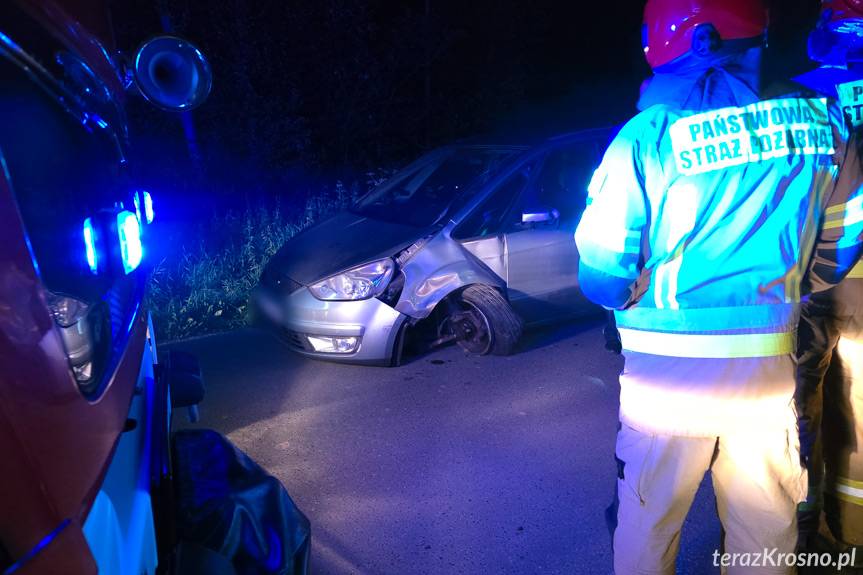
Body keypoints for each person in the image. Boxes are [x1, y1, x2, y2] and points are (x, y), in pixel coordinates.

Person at [574, 1, 863, 573]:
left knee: (647, 531)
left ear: (691, 35)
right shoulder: (826, 125)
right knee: (766, 537)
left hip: (665, 392)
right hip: (767, 384)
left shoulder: (647, 136)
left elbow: (603, 276)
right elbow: (838, 252)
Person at [794, 0, 863, 562]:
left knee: (797, 411)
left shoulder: (798, 99)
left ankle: (800, 536)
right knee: (859, 416)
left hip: (812, 282)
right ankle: (854, 539)